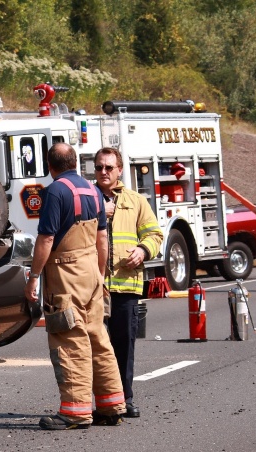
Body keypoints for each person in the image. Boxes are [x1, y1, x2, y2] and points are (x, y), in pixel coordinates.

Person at [24, 143, 126, 430]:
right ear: (75, 162)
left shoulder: (55, 191)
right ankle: (112, 405)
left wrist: (33, 277)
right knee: (97, 338)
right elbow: (102, 239)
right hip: (92, 273)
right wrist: (99, 276)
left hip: (65, 276)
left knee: (69, 340)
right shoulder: (94, 191)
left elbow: (45, 240)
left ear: (50, 165)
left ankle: (76, 412)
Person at [93, 147, 163, 419]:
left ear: (120, 170)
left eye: (109, 167)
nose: (103, 172)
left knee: (124, 345)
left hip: (126, 286)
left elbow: (155, 235)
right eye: (99, 167)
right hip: (95, 287)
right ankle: (102, 402)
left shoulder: (136, 202)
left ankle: (125, 399)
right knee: (97, 348)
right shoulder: (87, 199)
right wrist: (99, 210)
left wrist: (144, 250)